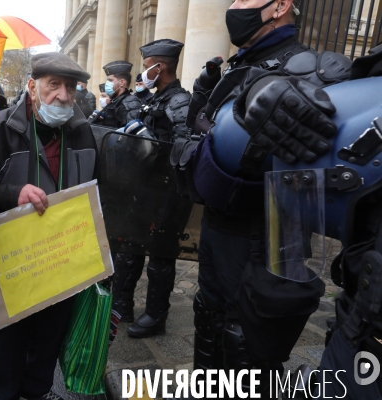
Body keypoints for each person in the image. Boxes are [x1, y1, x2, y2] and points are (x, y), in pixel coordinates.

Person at [173, 0, 351, 395]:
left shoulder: (319, 69)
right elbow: (198, 136)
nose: (235, 7)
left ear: (280, 6)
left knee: (249, 340)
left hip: (268, 235)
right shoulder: (233, 69)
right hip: (217, 224)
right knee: (209, 315)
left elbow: (336, 170)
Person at [0, 52, 97, 400]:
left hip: (62, 263)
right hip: (13, 263)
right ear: (32, 87)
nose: (62, 95)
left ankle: (37, 392)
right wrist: (12, 194)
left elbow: (96, 191)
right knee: (6, 347)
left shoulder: (83, 133)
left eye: (70, 87)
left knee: (48, 343)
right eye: (53, 85)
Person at [111, 39, 191, 339]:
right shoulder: (155, 98)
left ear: (161, 67)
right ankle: (123, 306)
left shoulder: (180, 101)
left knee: (160, 256)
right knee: (129, 249)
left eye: (146, 67)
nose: (144, 73)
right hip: (143, 188)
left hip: (168, 192)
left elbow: (186, 147)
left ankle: (156, 315)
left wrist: (153, 146)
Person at [88, 61, 141, 127]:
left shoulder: (130, 103)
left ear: (122, 82)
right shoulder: (115, 101)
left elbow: (129, 133)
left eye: (110, 80)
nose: (107, 84)